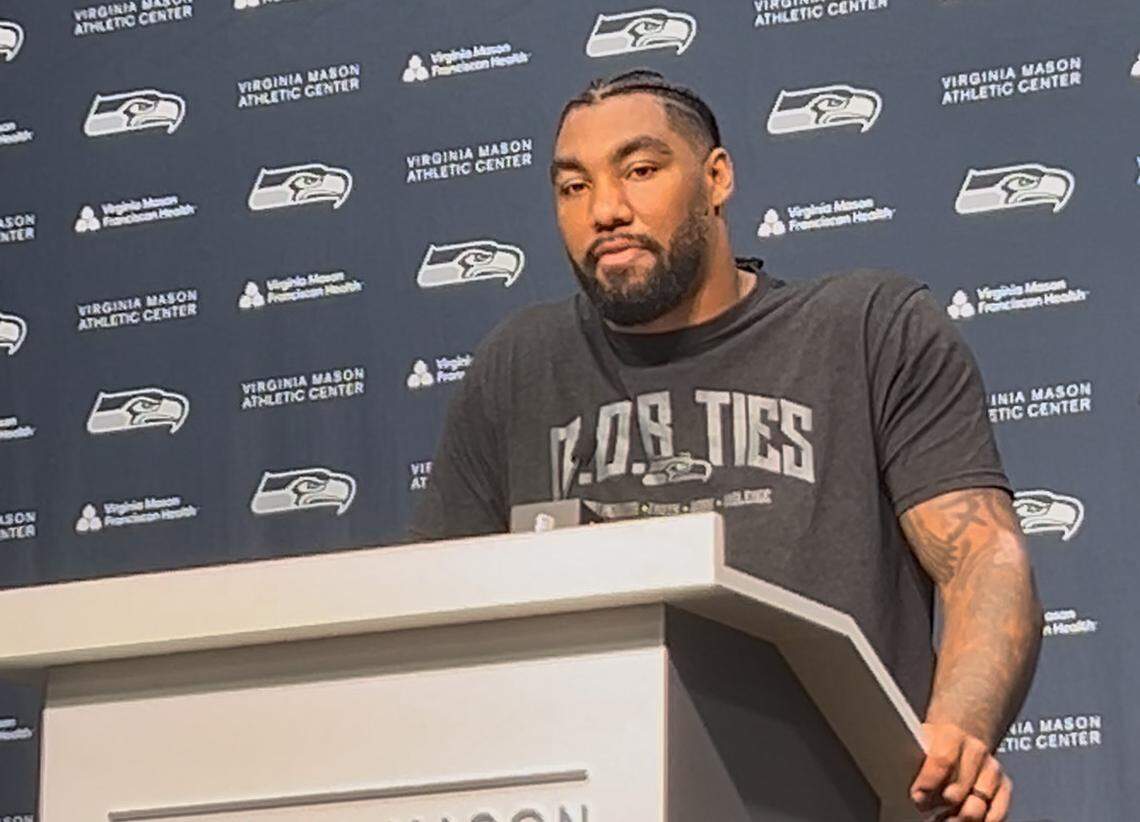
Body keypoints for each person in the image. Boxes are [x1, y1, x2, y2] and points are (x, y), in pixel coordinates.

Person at [411, 69, 1042, 821]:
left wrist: (956, 735)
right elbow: (434, 613)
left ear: (717, 178)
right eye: (572, 188)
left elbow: (982, 554)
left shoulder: (867, 329)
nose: (605, 210)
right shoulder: (517, 368)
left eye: (640, 171)